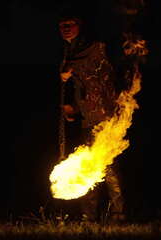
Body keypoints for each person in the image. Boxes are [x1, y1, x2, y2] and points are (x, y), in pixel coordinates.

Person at [57, 12, 126, 223]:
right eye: (62, 25)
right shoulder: (71, 48)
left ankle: (117, 214)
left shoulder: (89, 45)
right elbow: (85, 84)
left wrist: (70, 67)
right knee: (90, 164)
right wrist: (74, 108)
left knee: (106, 165)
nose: (66, 28)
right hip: (88, 116)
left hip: (103, 116)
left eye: (70, 23)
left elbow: (96, 59)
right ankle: (90, 216)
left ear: (80, 25)